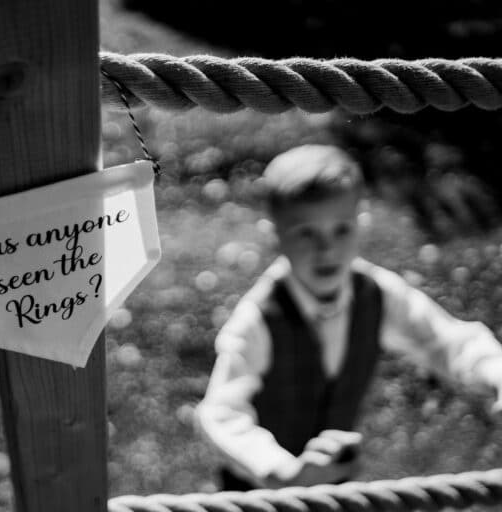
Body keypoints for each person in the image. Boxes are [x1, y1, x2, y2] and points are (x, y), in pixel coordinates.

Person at [195, 144, 502, 490]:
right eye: (306, 233)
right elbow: (220, 414)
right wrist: (282, 470)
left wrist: (495, 373)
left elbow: (448, 341)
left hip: (334, 487)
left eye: (341, 230)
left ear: (361, 226)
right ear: (274, 237)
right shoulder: (260, 317)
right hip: (258, 493)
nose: (326, 249)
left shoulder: (376, 292)